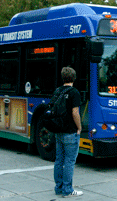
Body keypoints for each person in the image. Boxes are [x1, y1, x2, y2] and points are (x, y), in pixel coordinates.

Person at [53, 67, 84, 197]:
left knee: (59, 160)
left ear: (63, 78)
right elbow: (75, 112)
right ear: (74, 78)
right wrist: (79, 127)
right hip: (70, 132)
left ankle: (58, 187)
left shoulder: (57, 91)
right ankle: (68, 190)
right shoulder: (74, 92)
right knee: (69, 161)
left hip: (58, 130)